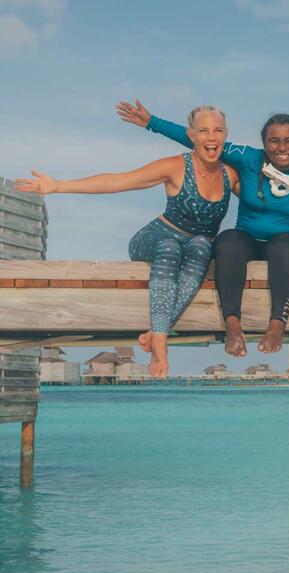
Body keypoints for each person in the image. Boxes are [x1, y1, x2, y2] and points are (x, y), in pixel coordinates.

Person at [18, 106, 238, 377]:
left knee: (203, 246)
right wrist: (58, 185)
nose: (211, 137)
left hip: (194, 247)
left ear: (226, 135)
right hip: (155, 237)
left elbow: (264, 203)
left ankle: (156, 331)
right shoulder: (175, 166)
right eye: (203, 130)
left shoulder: (230, 175)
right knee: (170, 247)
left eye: (218, 130)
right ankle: (160, 343)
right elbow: (117, 181)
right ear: (191, 135)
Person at [117, 100, 289, 358]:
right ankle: (232, 324)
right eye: (274, 141)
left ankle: (277, 323)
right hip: (247, 239)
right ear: (264, 143)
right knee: (227, 241)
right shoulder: (249, 159)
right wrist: (152, 123)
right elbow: (201, 141)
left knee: (283, 246)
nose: (282, 147)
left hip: (287, 244)